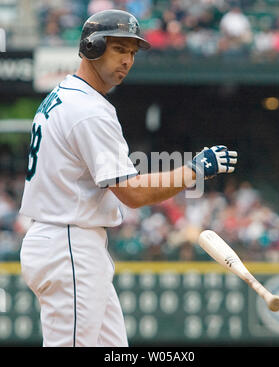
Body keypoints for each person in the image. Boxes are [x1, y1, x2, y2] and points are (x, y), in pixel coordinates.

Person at [19, 9, 238, 347]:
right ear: (92, 47)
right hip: (68, 244)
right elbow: (132, 193)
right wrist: (195, 169)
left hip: (66, 241)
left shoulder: (66, 93)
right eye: (119, 49)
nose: (128, 61)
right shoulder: (88, 110)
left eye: (132, 53)